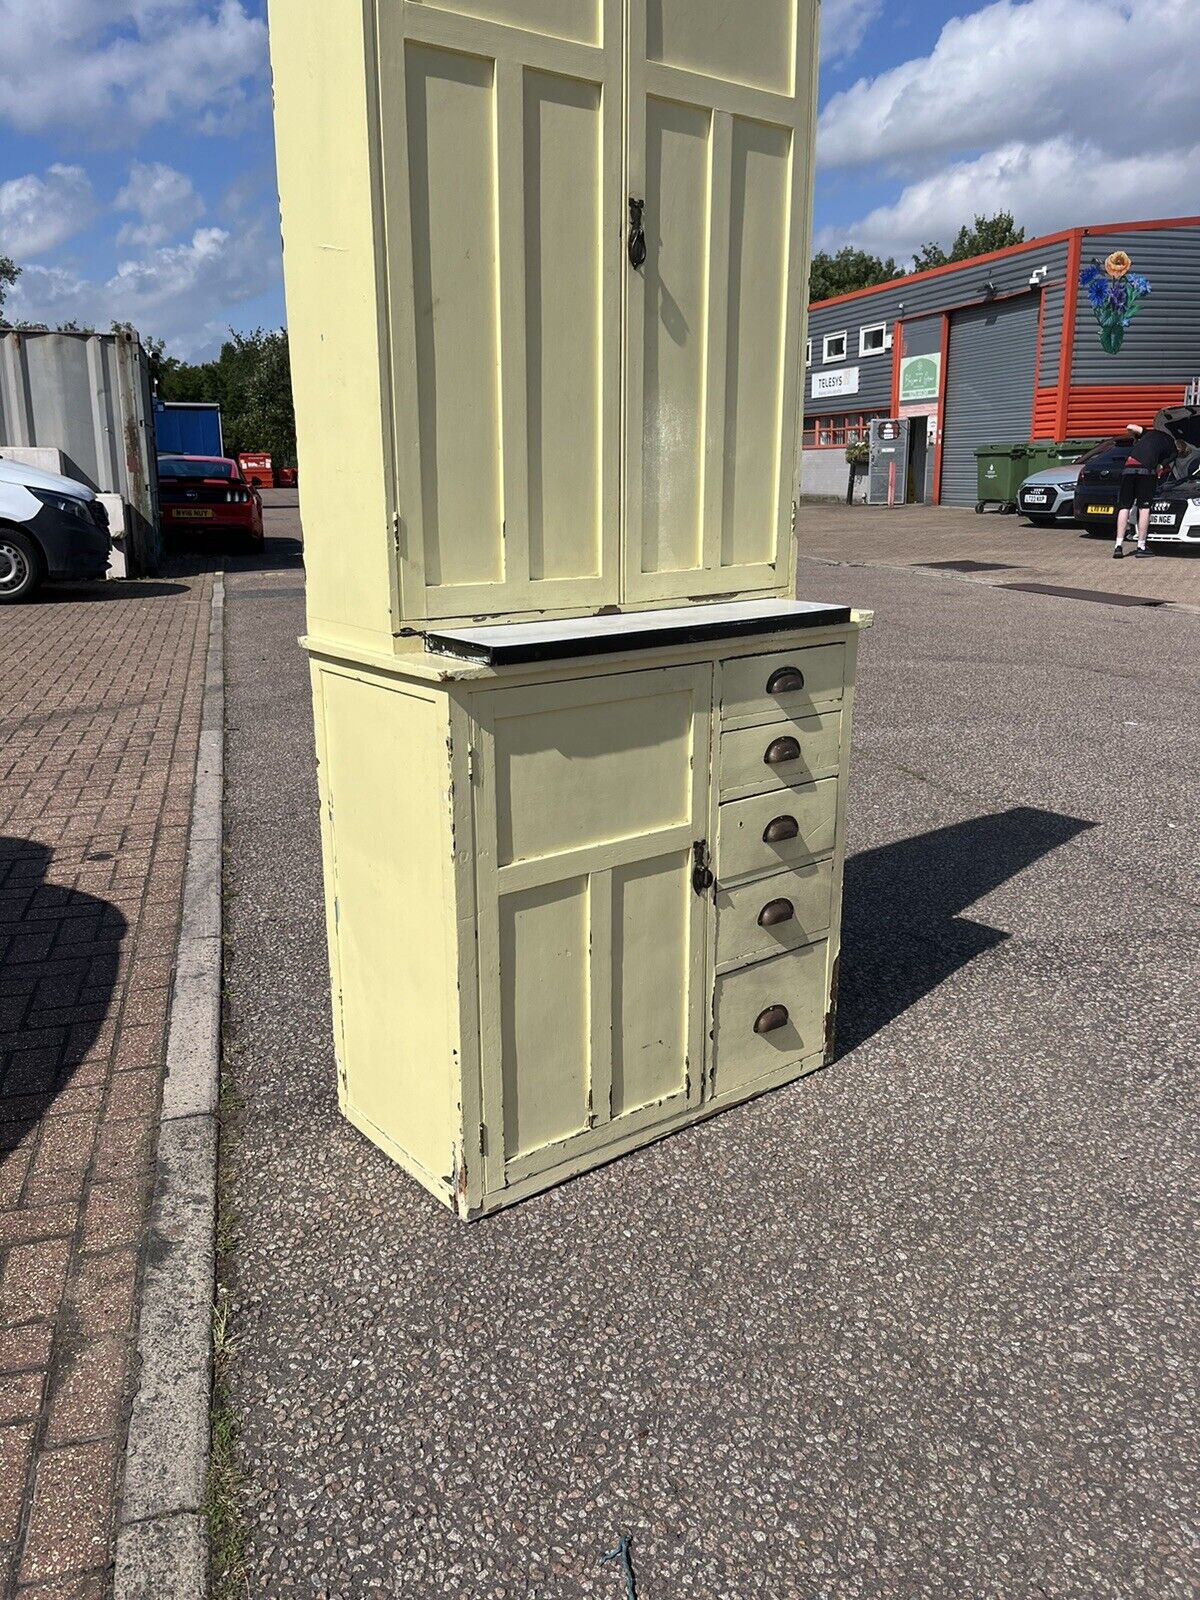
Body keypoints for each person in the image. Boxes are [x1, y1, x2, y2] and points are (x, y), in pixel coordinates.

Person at [1113, 422, 1179, 558]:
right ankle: (1141, 546)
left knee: (1124, 507)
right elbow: (1161, 466)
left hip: (1128, 468)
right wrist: (1159, 466)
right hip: (1146, 471)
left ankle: (1118, 546)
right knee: (1144, 507)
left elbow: (1130, 426)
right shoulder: (1172, 447)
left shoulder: (1148, 434)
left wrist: (1134, 435)